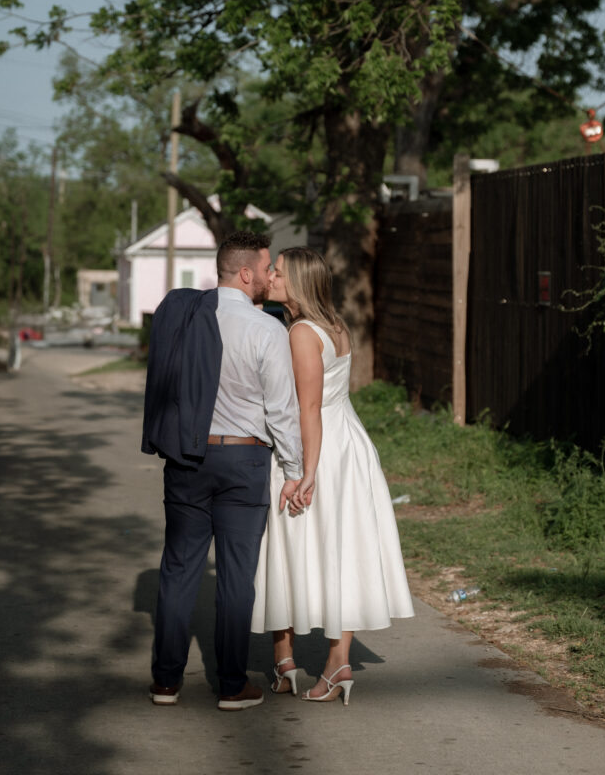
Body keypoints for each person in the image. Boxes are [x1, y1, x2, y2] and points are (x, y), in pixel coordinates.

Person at [142, 231, 303, 711]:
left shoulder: (187, 317)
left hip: (186, 457)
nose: (270, 275)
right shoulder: (265, 329)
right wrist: (293, 468)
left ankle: (165, 683)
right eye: (267, 266)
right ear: (247, 272)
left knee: (178, 570)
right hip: (243, 460)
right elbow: (281, 409)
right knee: (236, 577)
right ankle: (232, 685)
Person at [251, 247, 414, 704]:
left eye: (278, 272)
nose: (271, 277)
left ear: (298, 281)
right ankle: (336, 661)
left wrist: (304, 471)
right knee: (337, 549)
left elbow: (307, 408)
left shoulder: (301, 332)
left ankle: (285, 662)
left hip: (317, 448)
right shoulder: (336, 325)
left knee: (287, 545)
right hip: (349, 442)